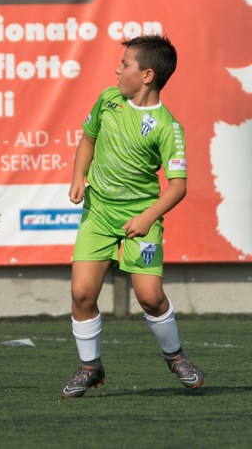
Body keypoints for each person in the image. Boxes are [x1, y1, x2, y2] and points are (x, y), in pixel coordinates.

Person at [61, 35, 204, 398]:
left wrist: (146, 219)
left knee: (150, 297)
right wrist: (78, 176)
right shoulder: (108, 99)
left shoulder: (168, 127)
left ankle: (175, 357)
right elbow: (88, 139)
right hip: (98, 213)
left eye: (125, 64)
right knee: (81, 293)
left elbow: (177, 186)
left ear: (147, 75)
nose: (117, 69)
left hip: (141, 219)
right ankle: (90, 368)